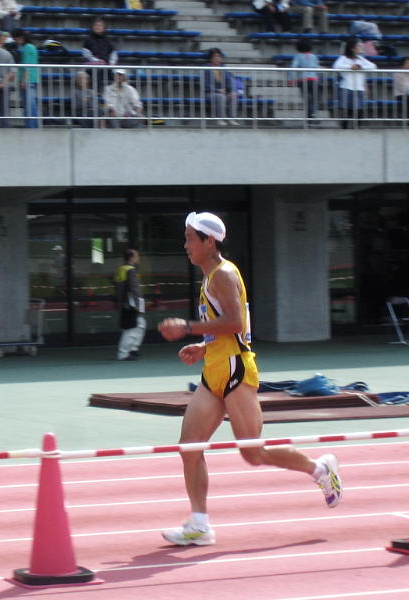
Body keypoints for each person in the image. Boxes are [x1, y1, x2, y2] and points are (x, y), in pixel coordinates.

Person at [157, 211, 342, 546]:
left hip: (235, 372)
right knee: (189, 446)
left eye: (189, 238)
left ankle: (319, 469)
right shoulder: (210, 277)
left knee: (253, 453)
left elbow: (235, 323)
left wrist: (187, 327)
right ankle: (199, 524)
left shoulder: (224, 274)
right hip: (214, 370)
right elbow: (233, 327)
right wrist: (204, 346)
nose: (185, 245)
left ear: (208, 241)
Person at [332, 37, 376, 129]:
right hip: (346, 87)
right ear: (352, 48)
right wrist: (350, 66)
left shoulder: (361, 59)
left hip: (358, 88)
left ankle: (356, 129)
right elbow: (336, 66)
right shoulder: (343, 58)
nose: (361, 48)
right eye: (358, 46)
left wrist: (360, 67)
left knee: (359, 111)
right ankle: (344, 130)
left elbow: (373, 66)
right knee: (346, 111)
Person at [115, 248, 145, 361]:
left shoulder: (121, 269)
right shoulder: (131, 271)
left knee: (140, 324)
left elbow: (119, 289)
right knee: (131, 329)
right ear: (131, 258)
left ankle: (133, 349)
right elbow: (134, 289)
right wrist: (139, 305)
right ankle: (124, 353)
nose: (139, 258)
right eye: (137, 256)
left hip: (125, 304)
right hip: (131, 304)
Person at [203, 47, 239, 127]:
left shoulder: (223, 68)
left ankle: (232, 119)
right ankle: (220, 119)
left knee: (233, 96)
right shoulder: (206, 68)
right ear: (211, 58)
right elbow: (205, 84)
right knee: (221, 97)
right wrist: (217, 90)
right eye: (215, 56)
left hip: (223, 92)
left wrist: (232, 91)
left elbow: (230, 81)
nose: (218, 58)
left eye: (219, 56)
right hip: (210, 92)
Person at [13, 28, 39, 128]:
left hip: (28, 80)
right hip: (32, 79)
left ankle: (31, 127)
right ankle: (32, 126)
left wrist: (24, 80)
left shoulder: (27, 47)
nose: (16, 41)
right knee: (31, 105)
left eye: (16, 39)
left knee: (29, 106)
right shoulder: (32, 46)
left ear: (21, 38)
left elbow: (27, 65)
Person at [289, 39, 319, 120]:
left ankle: (309, 114)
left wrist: (291, 79)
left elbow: (293, 67)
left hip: (303, 79)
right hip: (313, 79)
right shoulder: (313, 56)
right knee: (314, 97)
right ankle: (313, 113)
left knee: (306, 98)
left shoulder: (298, 56)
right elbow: (317, 68)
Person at [82, 18, 116, 90]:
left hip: (106, 66)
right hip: (92, 66)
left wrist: (112, 63)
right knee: (97, 71)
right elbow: (86, 55)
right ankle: (97, 92)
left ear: (103, 28)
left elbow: (113, 54)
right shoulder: (88, 41)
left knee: (118, 73)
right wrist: (97, 61)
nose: (97, 27)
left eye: (100, 25)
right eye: (96, 25)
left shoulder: (108, 41)